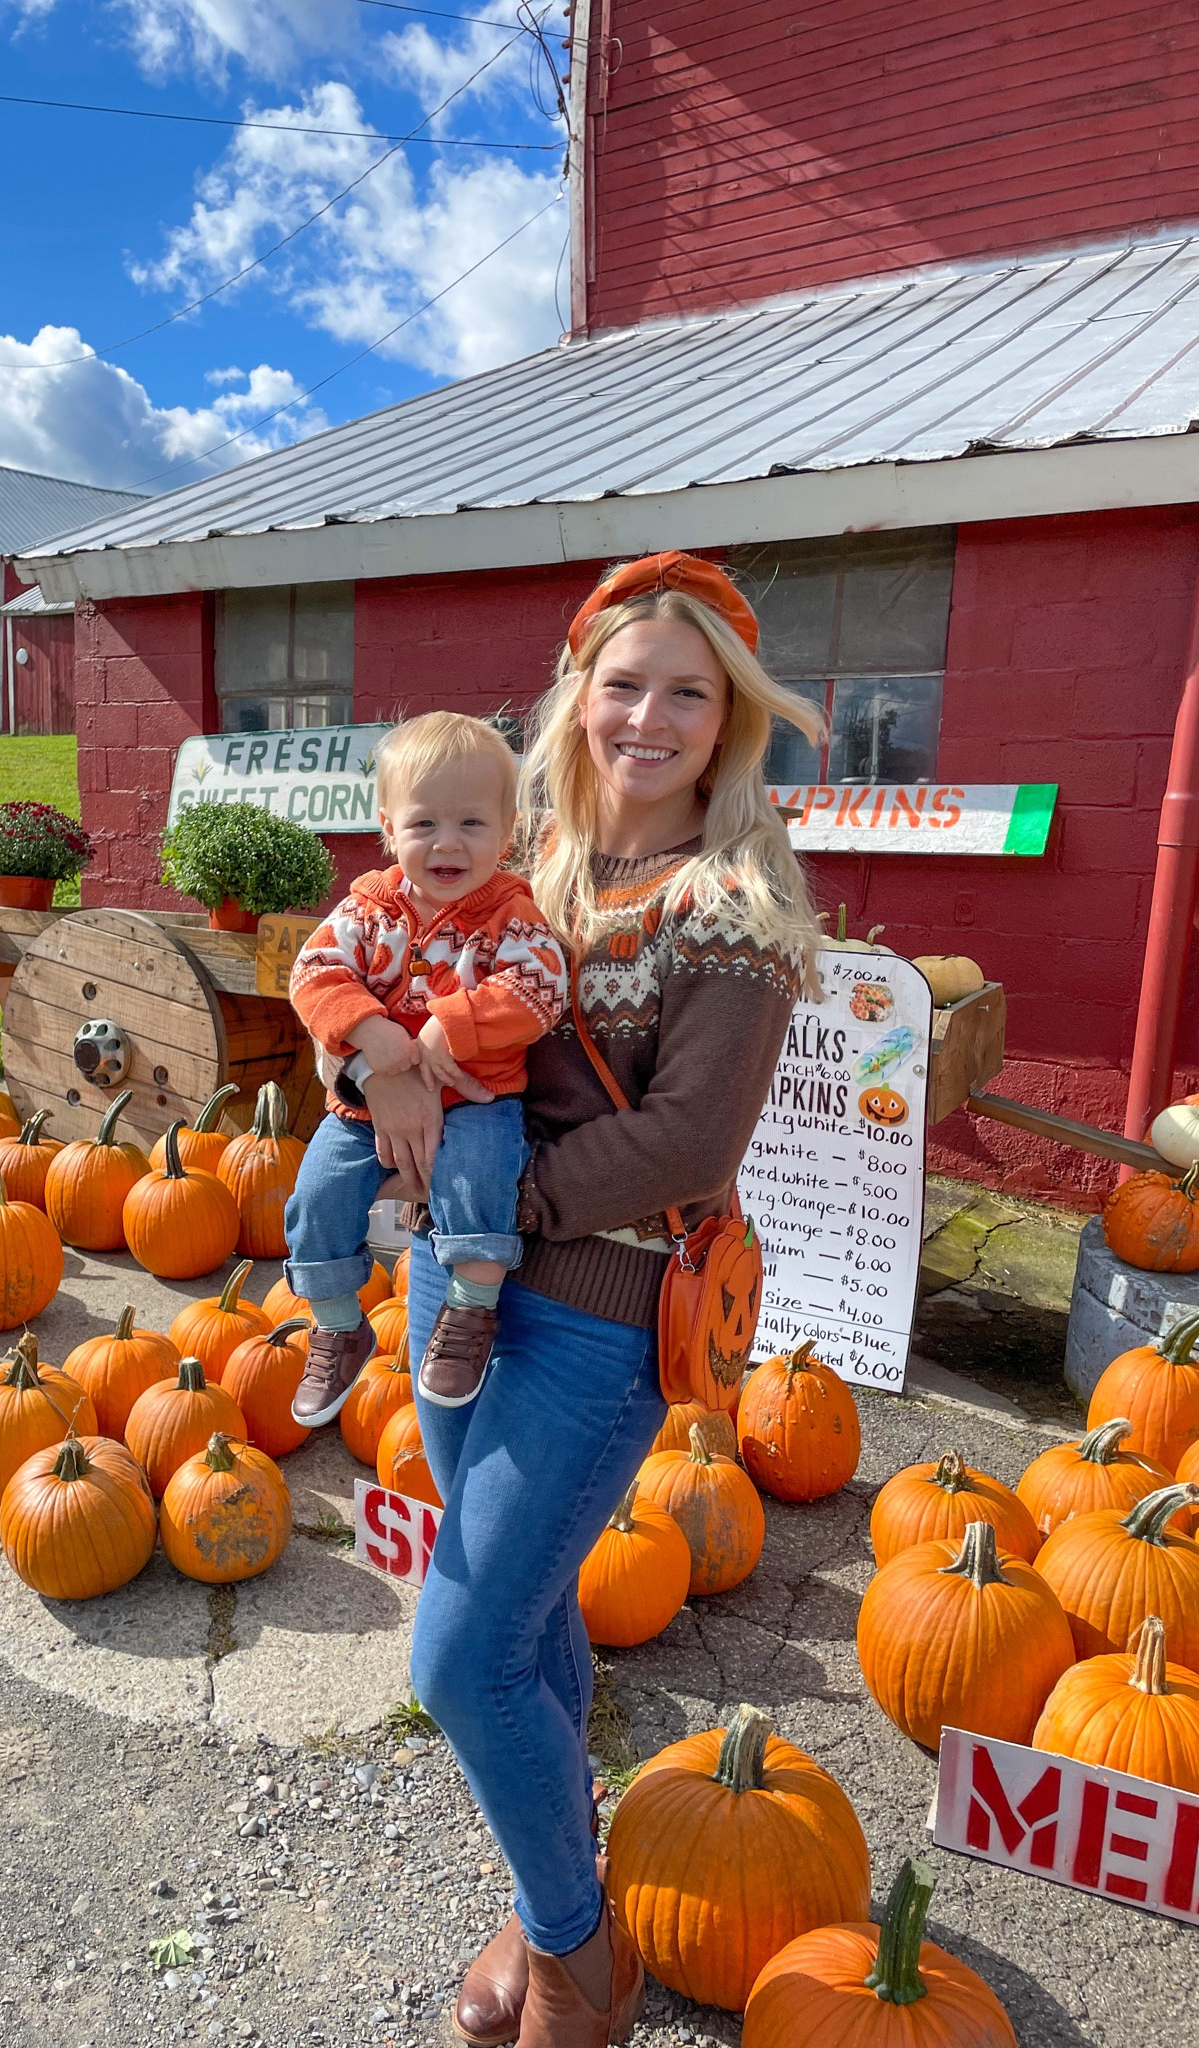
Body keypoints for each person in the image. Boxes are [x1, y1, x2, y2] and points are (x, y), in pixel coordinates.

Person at [335, 554, 825, 2046]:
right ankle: (569, 1877)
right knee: (530, 1612)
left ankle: (577, 1958)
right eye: (625, 685)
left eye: (689, 693)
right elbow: (372, 996)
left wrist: (497, 1204)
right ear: (579, 698)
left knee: (461, 1654)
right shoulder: (506, 864)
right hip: (448, 1281)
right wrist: (359, 1051)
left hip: (597, 1312)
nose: (651, 717)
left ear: (730, 719)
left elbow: (687, 1138)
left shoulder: (730, 898)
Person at [285, 710, 568, 1426]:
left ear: (508, 832)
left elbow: (542, 988)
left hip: (479, 1099)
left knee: (478, 1184)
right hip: (363, 1107)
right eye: (424, 825)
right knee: (315, 1195)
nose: (447, 843)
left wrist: (455, 1023)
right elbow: (313, 971)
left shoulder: (512, 916)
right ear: (389, 828)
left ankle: (470, 1315)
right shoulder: (369, 912)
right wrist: (369, 1030)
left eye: (472, 825)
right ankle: (338, 1324)